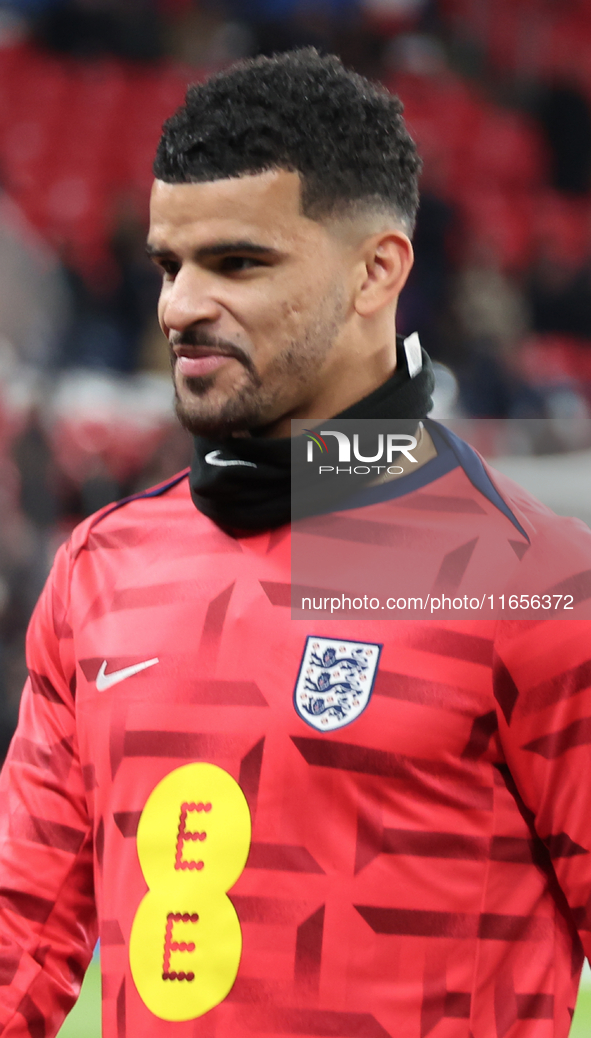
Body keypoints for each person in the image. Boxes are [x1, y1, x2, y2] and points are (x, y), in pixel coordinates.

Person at [0, 48, 590, 1038]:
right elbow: (17, 944)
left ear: (376, 270)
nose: (181, 306)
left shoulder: (533, 586)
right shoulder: (103, 566)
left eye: (239, 263)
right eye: (169, 266)